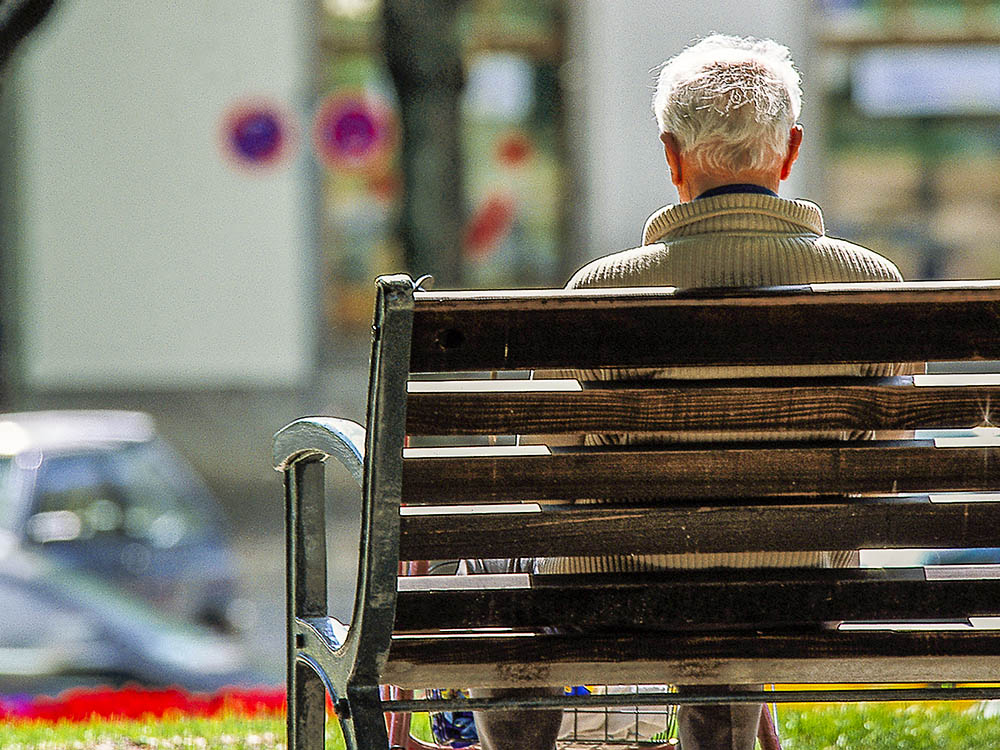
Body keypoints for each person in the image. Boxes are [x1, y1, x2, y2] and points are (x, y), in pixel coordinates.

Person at [469, 33, 907, 750]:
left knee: (501, 561)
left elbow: (555, 456)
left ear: (672, 157)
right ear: (790, 151)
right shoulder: (872, 285)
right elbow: (889, 462)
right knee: (737, 577)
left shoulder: (603, 293)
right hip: (804, 592)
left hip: (620, 590)